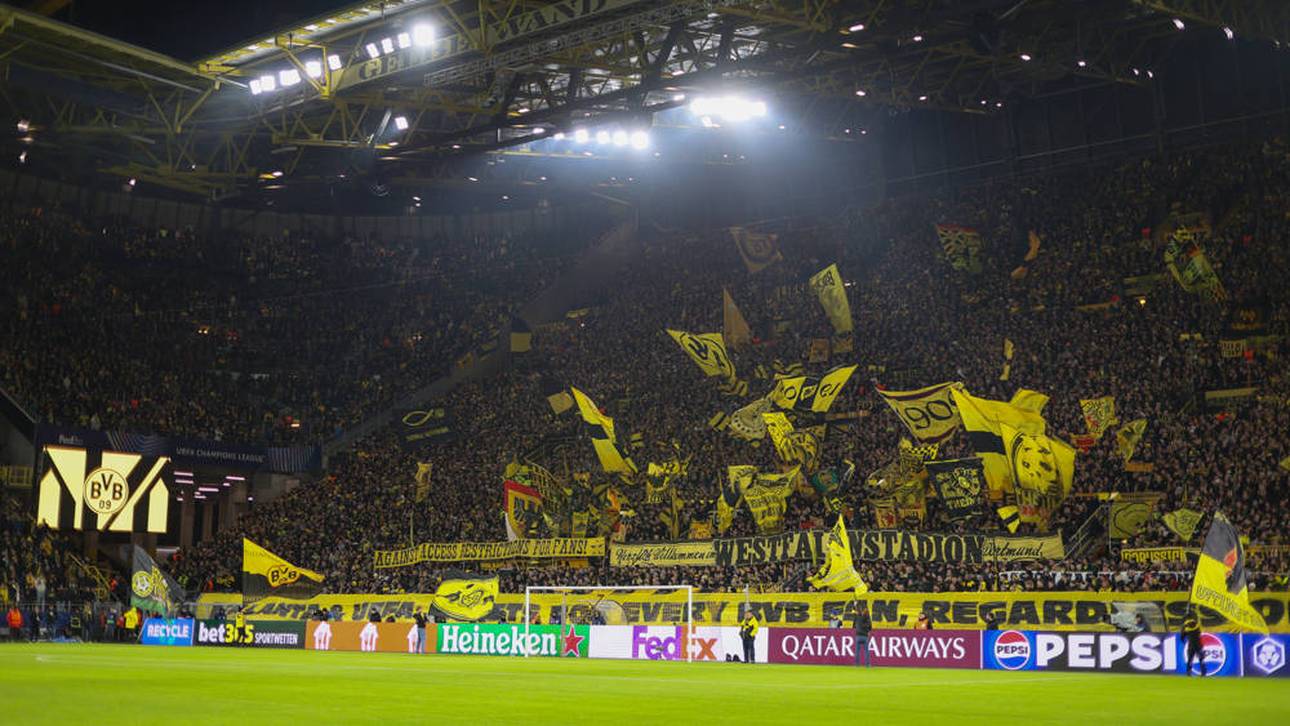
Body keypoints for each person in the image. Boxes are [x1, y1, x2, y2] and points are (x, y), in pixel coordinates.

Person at [1182, 610, 1207, 676]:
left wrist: (1183, 639)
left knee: (1190, 659)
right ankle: (1203, 672)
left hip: (1191, 644)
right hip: (1198, 644)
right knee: (1201, 658)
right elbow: (1199, 632)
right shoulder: (1196, 624)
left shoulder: (1185, 625)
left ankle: (1188, 672)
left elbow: (1182, 635)